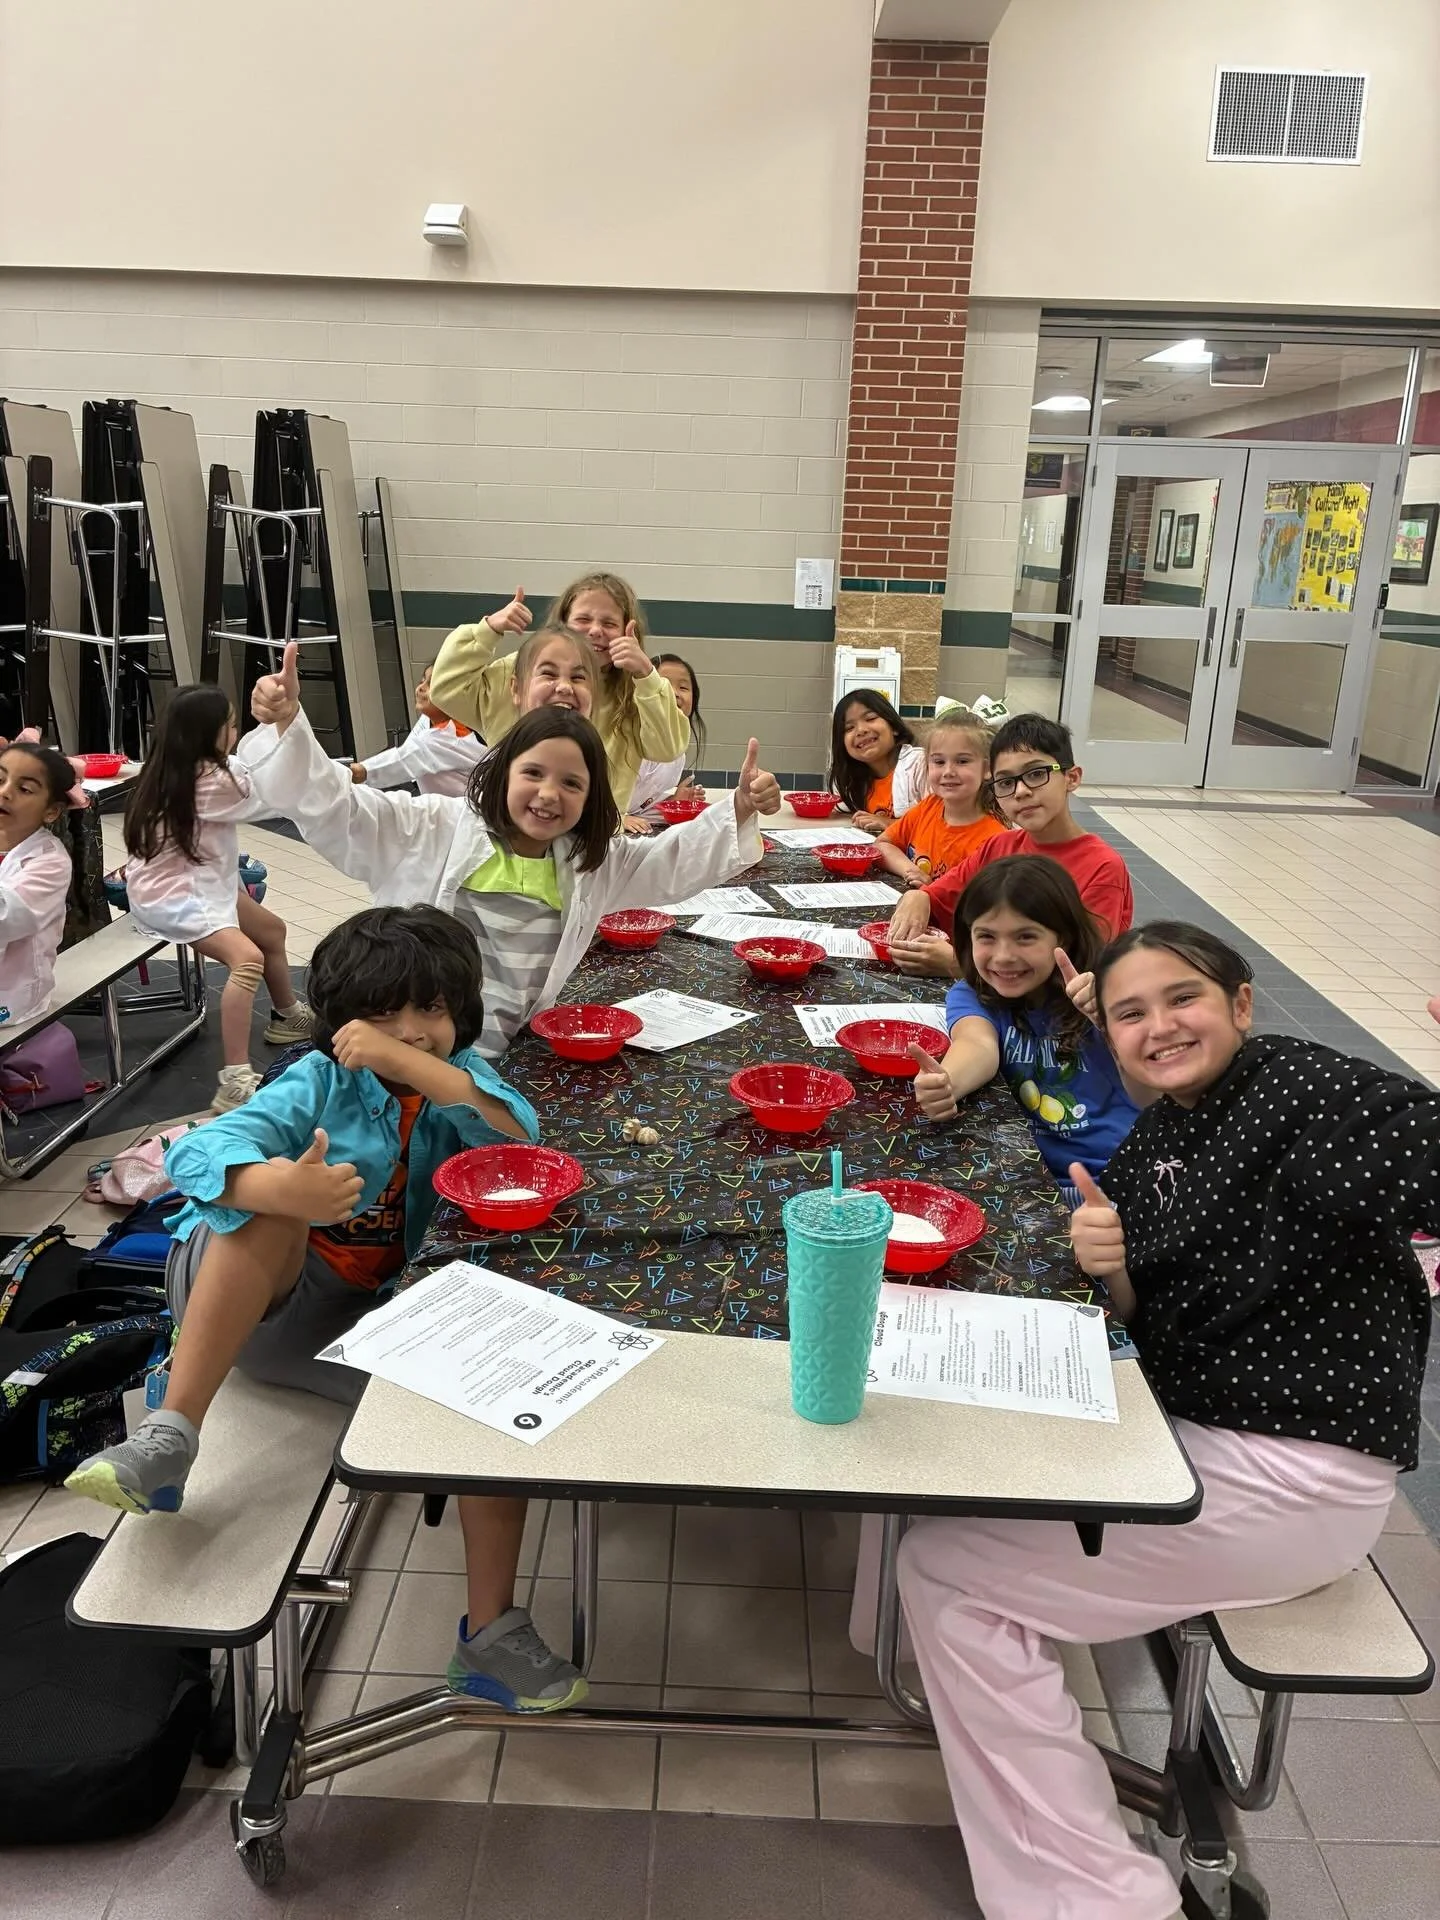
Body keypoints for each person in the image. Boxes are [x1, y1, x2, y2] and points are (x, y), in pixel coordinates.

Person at [898, 921, 1436, 1920]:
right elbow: (1149, 1315)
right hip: (1187, 1437)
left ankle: (1097, 1898)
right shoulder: (1172, 1126)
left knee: (947, 1571)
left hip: (1291, 1481)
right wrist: (1112, 1267)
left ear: (1240, 1004)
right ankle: (931, 1690)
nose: (1159, 1027)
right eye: (1133, 1011)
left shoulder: (1303, 1091)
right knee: (946, 1454)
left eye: (1182, 999)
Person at [64, 907, 590, 1713]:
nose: (409, 1033)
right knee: (262, 1213)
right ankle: (173, 1432)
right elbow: (200, 1151)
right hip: (267, 1314)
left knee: (488, 1411)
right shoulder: (315, 1083)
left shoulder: (458, 1085)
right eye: (381, 1016)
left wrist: (423, 1070)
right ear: (340, 1024)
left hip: (366, 1328)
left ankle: (488, 1637)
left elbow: (524, 1138)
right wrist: (275, 1186)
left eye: (431, 1011)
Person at [238, 643, 781, 1058]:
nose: (549, 794)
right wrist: (289, 724)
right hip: (405, 1049)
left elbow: (669, 862)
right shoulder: (435, 827)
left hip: (499, 1058)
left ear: (593, 798)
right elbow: (342, 808)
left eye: (573, 784)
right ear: (502, 772)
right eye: (534, 774)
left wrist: (735, 807)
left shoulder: (592, 860)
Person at [123, 685, 310, 1112]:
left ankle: (285, 1016)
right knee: (247, 959)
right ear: (206, 736)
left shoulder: (178, 766)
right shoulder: (210, 784)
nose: (236, 729)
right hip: (175, 894)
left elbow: (248, 766)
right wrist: (287, 722)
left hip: (200, 879)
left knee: (271, 930)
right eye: (229, 725)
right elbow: (269, 789)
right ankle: (235, 1080)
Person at [910, 857, 1138, 1200]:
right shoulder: (973, 994)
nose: (1003, 956)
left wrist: (1114, 1020)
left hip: (1120, 1180)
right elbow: (977, 1044)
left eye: (1025, 937)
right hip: (1034, 1180)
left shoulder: (1106, 991)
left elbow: (1164, 1083)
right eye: (986, 936)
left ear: (1064, 937)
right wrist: (948, 1083)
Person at [886, 713, 1133, 979]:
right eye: (1006, 782)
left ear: (1071, 778)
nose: (1021, 791)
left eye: (1037, 774)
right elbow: (938, 895)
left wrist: (959, 964)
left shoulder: (1102, 867)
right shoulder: (999, 847)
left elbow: (1080, 970)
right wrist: (917, 896)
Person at [427, 575, 688, 813]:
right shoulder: (522, 672)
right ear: (516, 689)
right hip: (513, 837)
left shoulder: (633, 694)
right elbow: (447, 690)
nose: (595, 630)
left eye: (609, 623)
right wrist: (487, 630)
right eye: (583, 619)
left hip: (590, 845)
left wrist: (646, 675)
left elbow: (668, 748)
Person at [0, 739, 86, 1026]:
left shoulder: (50, 862)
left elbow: (6, 918)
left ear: (51, 811)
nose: (5, 792)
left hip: (10, 995)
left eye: (24, 789)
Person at [872, 714, 1006, 887]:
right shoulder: (928, 807)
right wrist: (912, 871)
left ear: (987, 769)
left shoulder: (995, 841)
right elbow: (881, 845)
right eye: (939, 761)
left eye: (962, 761)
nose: (948, 771)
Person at [348, 664, 486, 798]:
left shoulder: (447, 737)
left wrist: (361, 771)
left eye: (431, 684)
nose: (420, 688)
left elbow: (406, 758)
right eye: (422, 681)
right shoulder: (453, 731)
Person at [625, 653, 707, 833]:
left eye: (683, 687)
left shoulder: (677, 756)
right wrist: (617, 818)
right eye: (664, 685)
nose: (675, 693)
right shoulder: (625, 742)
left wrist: (673, 802)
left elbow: (641, 809)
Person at [827, 690, 925, 833]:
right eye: (849, 728)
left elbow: (942, 824)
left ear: (894, 727)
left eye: (870, 718)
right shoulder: (849, 781)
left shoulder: (920, 765)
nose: (860, 730)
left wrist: (889, 823)